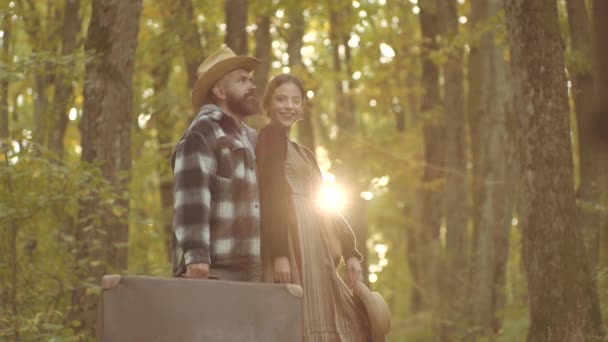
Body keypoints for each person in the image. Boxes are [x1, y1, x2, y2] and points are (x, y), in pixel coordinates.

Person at [256, 74, 371, 341]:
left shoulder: (304, 153)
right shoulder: (269, 138)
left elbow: (325, 203)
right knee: (298, 315)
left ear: (302, 109)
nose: (289, 106)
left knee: (337, 313)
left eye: (296, 101)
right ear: (269, 105)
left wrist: (351, 251)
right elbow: (269, 193)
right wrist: (280, 253)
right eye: (281, 99)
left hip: (317, 247)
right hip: (292, 243)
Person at [171, 46, 262, 281]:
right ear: (220, 91)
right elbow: (191, 195)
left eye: (250, 80)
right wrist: (196, 256)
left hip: (248, 269)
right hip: (212, 270)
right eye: (242, 81)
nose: (252, 86)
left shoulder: (248, 138)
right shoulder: (203, 131)